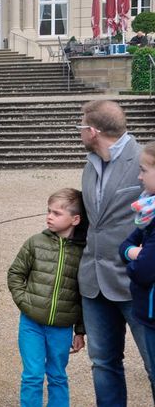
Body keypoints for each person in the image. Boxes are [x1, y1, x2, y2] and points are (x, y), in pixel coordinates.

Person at [77, 99, 155, 405]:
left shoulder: (143, 159)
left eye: (81, 126)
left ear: (93, 131)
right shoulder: (90, 163)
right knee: (104, 364)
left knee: (153, 367)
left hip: (136, 282)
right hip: (94, 285)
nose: (78, 132)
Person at [7, 188, 87, 406]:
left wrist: (80, 330)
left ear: (75, 219)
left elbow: (84, 295)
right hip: (31, 324)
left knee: (57, 375)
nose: (49, 216)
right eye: (48, 211)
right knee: (32, 375)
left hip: (61, 328)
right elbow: (15, 274)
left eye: (57, 213)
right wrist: (25, 302)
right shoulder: (35, 243)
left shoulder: (83, 252)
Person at [120, 142, 155, 381]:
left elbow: (143, 270)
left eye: (144, 170)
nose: (139, 177)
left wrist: (134, 256)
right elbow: (124, 245)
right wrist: (135, 252)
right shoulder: (148, 211)